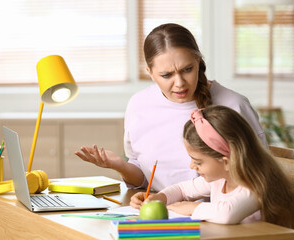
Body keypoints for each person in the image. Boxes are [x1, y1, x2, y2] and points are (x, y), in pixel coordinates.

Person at [75, 23, 267, 192]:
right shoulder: (139, 105)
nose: (180, 83)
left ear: (198, 61)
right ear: (150, 72)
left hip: (225, 218)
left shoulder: (234, 105)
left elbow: (260, 175)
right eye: (166, 75)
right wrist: (120, 166)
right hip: (162, 212)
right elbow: (144, 179)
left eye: (187, 70)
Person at [130, 105, 294, 229]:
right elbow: (183, 190)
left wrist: (192, 208)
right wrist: (160, 197)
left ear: (226, 162)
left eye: (197, 162)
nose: (192, 166)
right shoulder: (220, 179)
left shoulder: (257, 185)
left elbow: (227, 214)